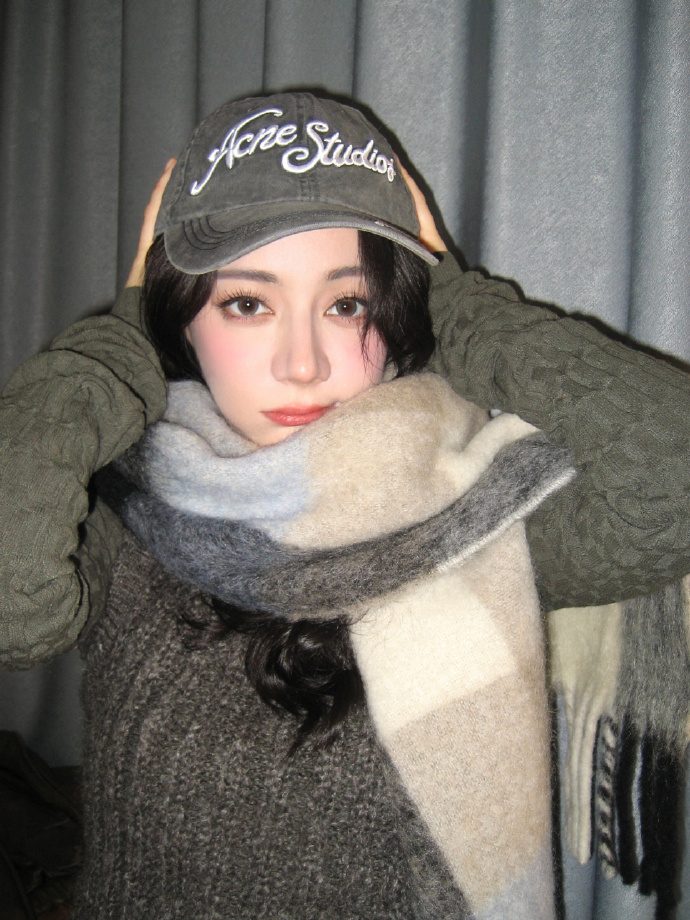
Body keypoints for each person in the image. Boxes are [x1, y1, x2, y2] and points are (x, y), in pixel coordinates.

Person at [1, 91, 689, 919]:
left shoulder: (476, 516)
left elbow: (671, 474)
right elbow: (15, 613)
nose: (304, 363)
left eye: (347, 304)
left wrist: (457, 302)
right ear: (181, 322)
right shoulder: (125, 502)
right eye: (247, 303)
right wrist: (119, 343)